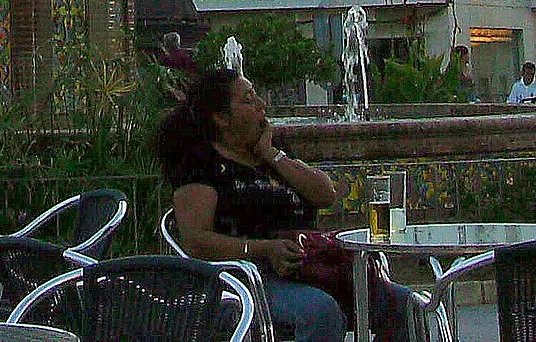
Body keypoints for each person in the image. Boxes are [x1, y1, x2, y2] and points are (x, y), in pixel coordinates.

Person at [161, 66, 410, 342]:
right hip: (246, 280)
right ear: (221, 118)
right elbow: (196, 242)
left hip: (311, 271)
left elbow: (325, 194)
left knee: (403, 303)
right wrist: (264, 250)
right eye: (248, 100)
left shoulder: (273, 154)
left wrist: (271, 154)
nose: (261, 105)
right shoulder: (201, 164)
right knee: (320, 312)